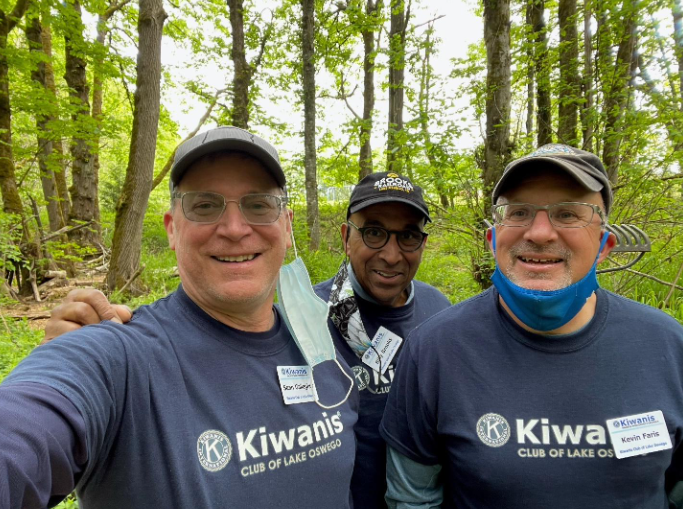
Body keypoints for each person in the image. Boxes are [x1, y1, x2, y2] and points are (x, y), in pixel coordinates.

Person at [43, 171, 452, 509]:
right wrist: (87, 346)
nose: (391, 254)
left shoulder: (440, 313)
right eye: (374, 233)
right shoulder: (308, 316)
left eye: (408, 236)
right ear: (346, 237)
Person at [0, 126, 359, 509]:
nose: (235, 229)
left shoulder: (326, 341)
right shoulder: (122, 359)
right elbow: (24, 431)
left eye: (258, 205)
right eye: (204, 206)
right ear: (172, 229)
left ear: (286, 226)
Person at [380, 143, 683, 508]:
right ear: (493, 240)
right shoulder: (435, 349)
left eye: (568, 214)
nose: (539, 233)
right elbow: (413, 499)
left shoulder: (669, 346)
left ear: (605, 245)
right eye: (519, 212)